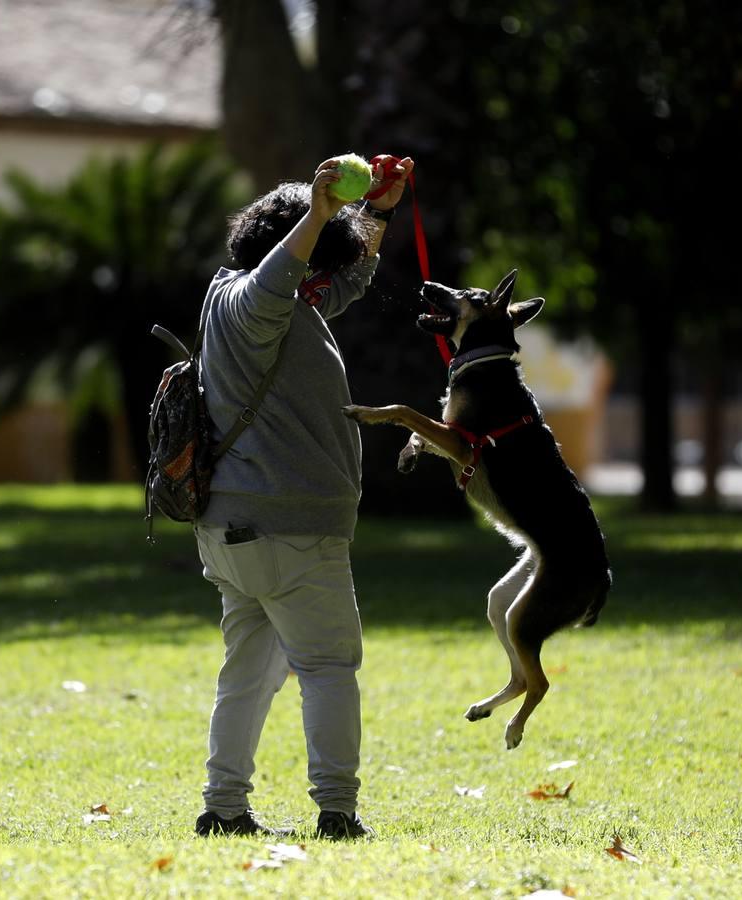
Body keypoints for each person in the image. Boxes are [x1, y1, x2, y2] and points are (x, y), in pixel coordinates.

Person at [192, 155, 413, 841]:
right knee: (327, 666)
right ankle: (337, 812)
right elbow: (283, 277)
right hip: (290, 530)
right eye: (317, 253)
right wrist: (321, 213)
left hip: (233, 527)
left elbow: (341, 281)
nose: (325, 277)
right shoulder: (254, 304)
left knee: (248, 675)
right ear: (294, 249)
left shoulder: (247, 296)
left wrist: (372, 213)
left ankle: (223, 808)